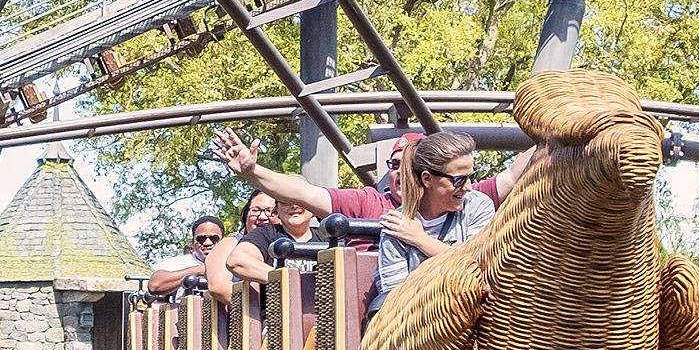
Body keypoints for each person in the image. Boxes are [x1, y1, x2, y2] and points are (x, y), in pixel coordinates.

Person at [209, 124, 536, 222]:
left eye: (406, 166)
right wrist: (253, 172)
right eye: (393, 165)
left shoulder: (461, 195)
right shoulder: (367, 203)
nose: (398, 173)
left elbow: (517, 173)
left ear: (427, 174)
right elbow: (299, 193)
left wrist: (570, 128)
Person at [370, 130, 495, 307]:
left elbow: (480, 272)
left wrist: (421, 240)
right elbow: (393, 301)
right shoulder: (396, 226)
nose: (468, 187)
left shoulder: (478, 206)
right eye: (459, 180)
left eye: (471, 177)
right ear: (427, 179)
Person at [226, 193, 316, 287]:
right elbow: (236, 261)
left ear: (313, 207)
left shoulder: (325, 236)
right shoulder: (265, 234)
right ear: (276, 210)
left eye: (300, 200)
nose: (294, 206)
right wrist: (287, 281)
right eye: (285, 201)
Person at [146, 215, 235, 303]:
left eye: (214, 238)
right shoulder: (179, 263)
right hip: (184, 315)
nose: (207, 243)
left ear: (223, 242)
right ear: (192, 242)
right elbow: (154, 286)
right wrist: (200, 269)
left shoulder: (232, 263)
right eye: (201, 238)